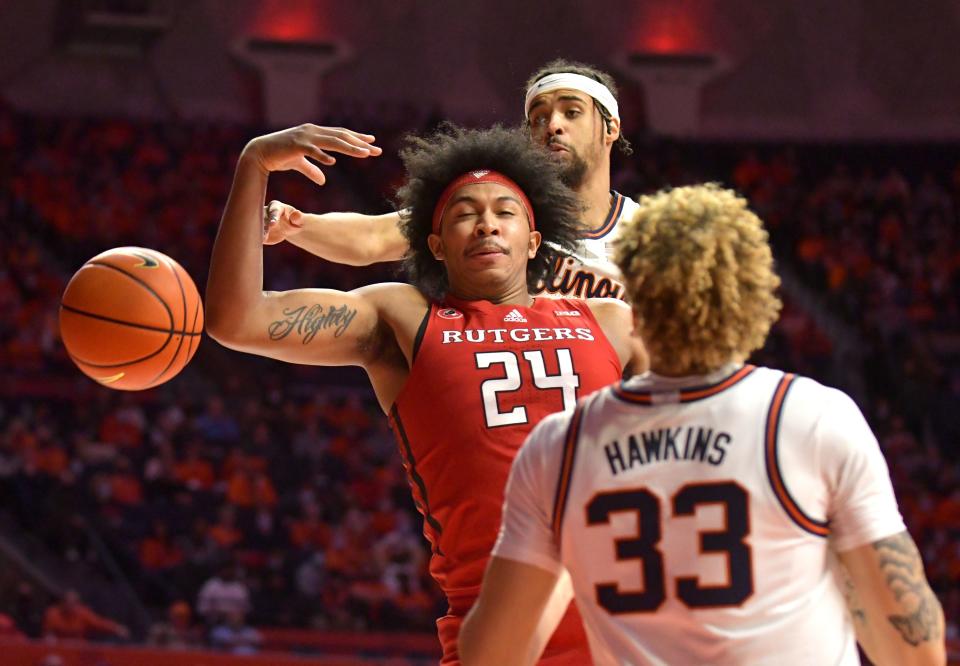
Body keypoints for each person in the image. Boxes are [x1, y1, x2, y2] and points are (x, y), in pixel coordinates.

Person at [205, 122, 642, 663]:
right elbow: (236, 319)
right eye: (464, 214)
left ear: (533, 240)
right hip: (497, 641)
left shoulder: (612, 321)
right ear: (435, 244)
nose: (486, 225)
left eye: (505, 212)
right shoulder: (403, 317)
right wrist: (254, 166)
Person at [459, 184, 946, 666]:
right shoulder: (812, 417)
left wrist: (570, 553)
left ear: (632, 300)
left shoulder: (559, 445)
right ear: (754, 297)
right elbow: (912, 645)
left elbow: (491, 656)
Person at [262, 59, 638, 300]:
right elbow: (374, 238)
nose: (553, 125)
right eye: (539, 118)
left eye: (572, 112)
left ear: (611, 128)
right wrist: (296, 226)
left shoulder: (649, 232)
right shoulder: (497, 210)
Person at [42, 589, 129, 642]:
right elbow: (48, 633)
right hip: (60, 650)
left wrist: (116, 628)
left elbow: (99, 623)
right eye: (67, 602)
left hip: (78, 650)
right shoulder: (52, 613)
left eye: (74, 603)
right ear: (62, 602)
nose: (70, 606)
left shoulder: (83, 613)